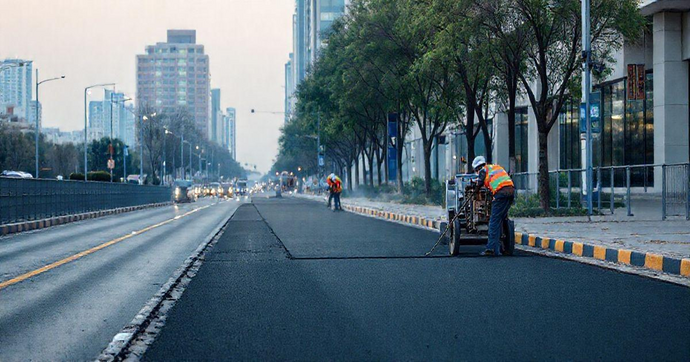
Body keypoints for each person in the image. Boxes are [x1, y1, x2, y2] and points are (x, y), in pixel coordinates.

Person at [472, 156, 514, 256]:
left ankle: (491, 249)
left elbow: (480, 182)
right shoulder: (496, 167)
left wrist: (475, 192)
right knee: (501, 219)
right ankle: (500, 248)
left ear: (477, 168)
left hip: (501, 193)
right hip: (511, 191)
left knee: (493, 222)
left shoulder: (483, 170)